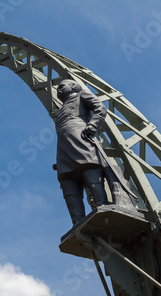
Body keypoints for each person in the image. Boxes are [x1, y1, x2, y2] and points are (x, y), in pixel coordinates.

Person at [54, 79, 135, 224]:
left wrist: (93, 124)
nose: (57, 90)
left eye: (61, 86)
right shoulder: (60, 111)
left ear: (73, 86)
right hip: (64, 151)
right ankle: (77, 220)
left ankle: (102, 204)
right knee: (67, 182)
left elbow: (100, 108)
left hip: (83, 141)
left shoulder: (81, 95)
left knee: (90, 171)